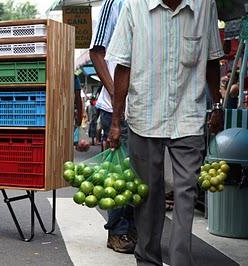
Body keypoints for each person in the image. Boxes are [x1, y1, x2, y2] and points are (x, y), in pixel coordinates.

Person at [106, 1, 224, 265]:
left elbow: (213, 58)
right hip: (144, 117)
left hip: (188, 116)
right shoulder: (134, 6)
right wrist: (115, 121)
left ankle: (181, 261)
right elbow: (122, 65)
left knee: (186, 192)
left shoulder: (205, 5)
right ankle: (148, 259)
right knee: (149, 197)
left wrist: (216, 104)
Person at [89, 0, 135, 254]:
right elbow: (97, 52)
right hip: (115, 107)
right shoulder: (114, 4)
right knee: (120, 174)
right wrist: (116, 92)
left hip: (145, 108)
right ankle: (119, 231)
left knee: (141, 173)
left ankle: (134, 227)